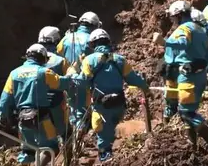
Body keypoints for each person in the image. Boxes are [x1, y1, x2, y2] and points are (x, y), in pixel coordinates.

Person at [152, 0, 208, 158]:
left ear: (178, 16)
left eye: (173, 18)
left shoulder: (185, 29)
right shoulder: (200, 30)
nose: (172, 21)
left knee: (186, 113)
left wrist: (164, 42)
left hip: (188, 77)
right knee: (189, 110)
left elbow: (182, 43)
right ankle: (193, 146)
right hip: (199, 76)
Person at [0, 43, 79, 165]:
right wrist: (71, 74)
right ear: (42, 58)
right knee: (51, 147)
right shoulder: (44, 72)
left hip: (23, 121)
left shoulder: (14, 74)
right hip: (42, 119)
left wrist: (2, 115)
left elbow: (5, 99)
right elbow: (62, 84)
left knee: (27, 151)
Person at [77, 28, 150, 162]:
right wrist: (146, 87)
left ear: (93, 44)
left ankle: (106, 157)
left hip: (102, 107)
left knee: (103, 136)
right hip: (119, 105)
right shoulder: (119, 60)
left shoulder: (89, 60)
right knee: (111, 128)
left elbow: (82, 82)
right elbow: (133, 79)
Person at [56, 11, 102, 131]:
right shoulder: (91, 40)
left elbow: (58, 54)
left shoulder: (66, 38)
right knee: (80, 113)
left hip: (68, 79)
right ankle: (80, 140)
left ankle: (74, 138)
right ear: (94, 26)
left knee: (72, 110)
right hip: (84, 81)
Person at [38, 26, 74, 164]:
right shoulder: (60, 61)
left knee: (47, 146)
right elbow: (70, 83)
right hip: (57, 106)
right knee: (67, 135)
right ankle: (69, 162)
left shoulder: (31, 61)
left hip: (36, 108)